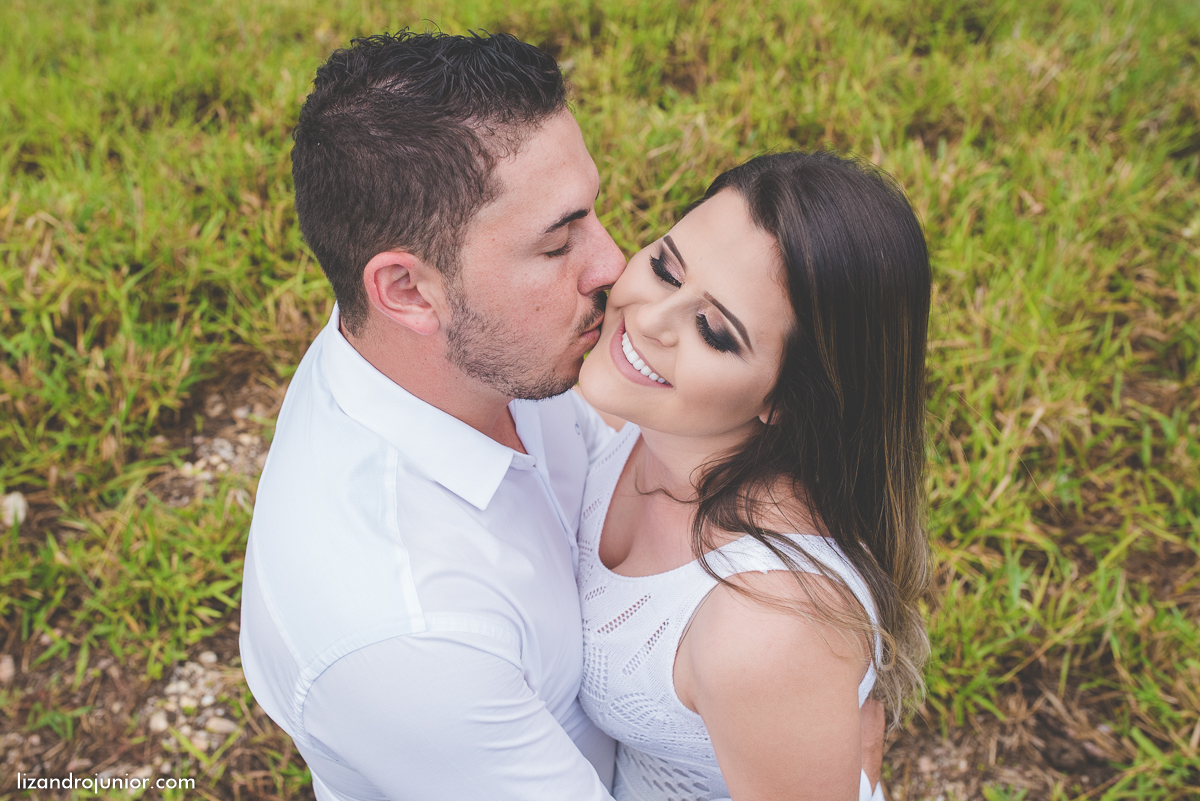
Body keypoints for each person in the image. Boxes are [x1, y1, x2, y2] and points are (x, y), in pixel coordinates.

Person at [239, 30, 887, 801]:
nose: (614, 266)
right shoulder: (406, 634)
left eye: (593, 212)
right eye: (557, 244)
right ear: (408, 293)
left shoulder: (470, 348)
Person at [575, 152, 931, 801]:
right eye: (664, 267)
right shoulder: (629, 413)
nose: (648, 319)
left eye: (714, 330)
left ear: (787, 398)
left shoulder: (765, 624)